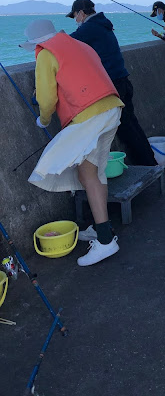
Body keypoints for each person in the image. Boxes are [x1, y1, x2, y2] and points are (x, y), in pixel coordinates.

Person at [20, 19, 123, 266]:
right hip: (111, 108)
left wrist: (43, 120)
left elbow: (46, 99)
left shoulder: (46, 53)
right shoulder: (80, 44)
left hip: (89, 115)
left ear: (36, 43)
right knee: (95, 172)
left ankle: (106, 242)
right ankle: (102, 229)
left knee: (82, 173)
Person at [67, 0, 156, 167]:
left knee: (126, 130)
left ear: (81, 13)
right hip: (122, 81)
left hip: (113, 86)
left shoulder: (90, 27)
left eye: (74, 15)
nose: (75, 19)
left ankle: (145, 166)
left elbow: (67, 44)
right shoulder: (102, 24)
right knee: (132, 125)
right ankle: (150, 162)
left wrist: (50, 39)